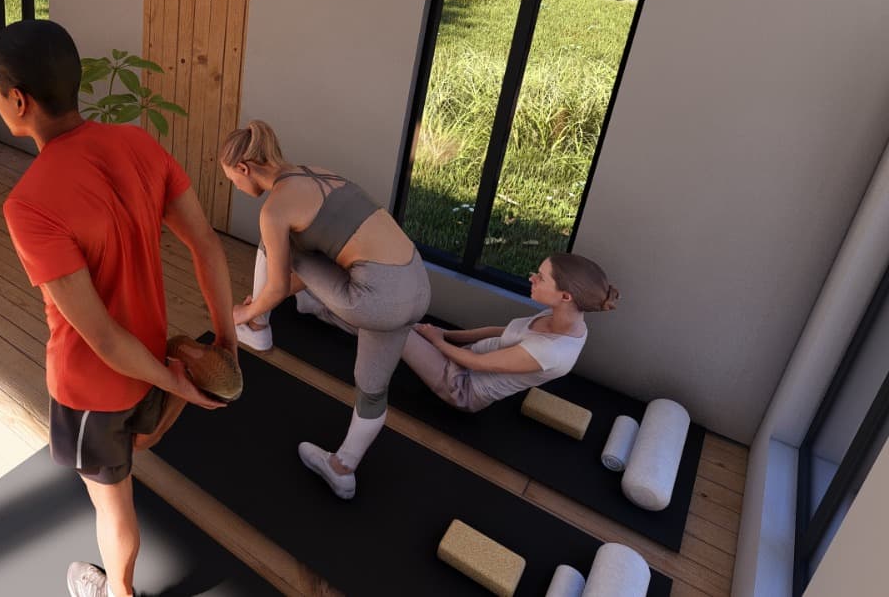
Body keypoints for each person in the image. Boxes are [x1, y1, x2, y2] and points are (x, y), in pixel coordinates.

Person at [0, 20, 236, 597]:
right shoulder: (138, 143)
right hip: (150, 355)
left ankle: (118, 593)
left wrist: (177, 385)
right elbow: (205, 243)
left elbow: (100, 336)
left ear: (18, 101)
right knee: (139, 434)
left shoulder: (28, 203)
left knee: (113, 506)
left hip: (93, 388)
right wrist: (224, 343)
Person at [221, 120, 428, 500]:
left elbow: (280, 282)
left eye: (232, 179)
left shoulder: (275, 208)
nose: (235, 186)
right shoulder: (317, 171)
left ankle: (257, 326)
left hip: (374, 299)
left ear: (245, 168)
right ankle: (342, 469)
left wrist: (237, 314)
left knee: (275, 246)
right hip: (417, 285)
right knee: (372, 389)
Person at [402, 254, 619, 412]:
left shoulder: (550, 351)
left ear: (565, 296)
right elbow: (501, 332)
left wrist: (436, 340)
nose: (532, 278)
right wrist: (447, 334)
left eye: (541, 278)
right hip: (463, 358)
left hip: (460, 386)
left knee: (393, 328)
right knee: (406, 324)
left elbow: (478, 364)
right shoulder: (561, 316)